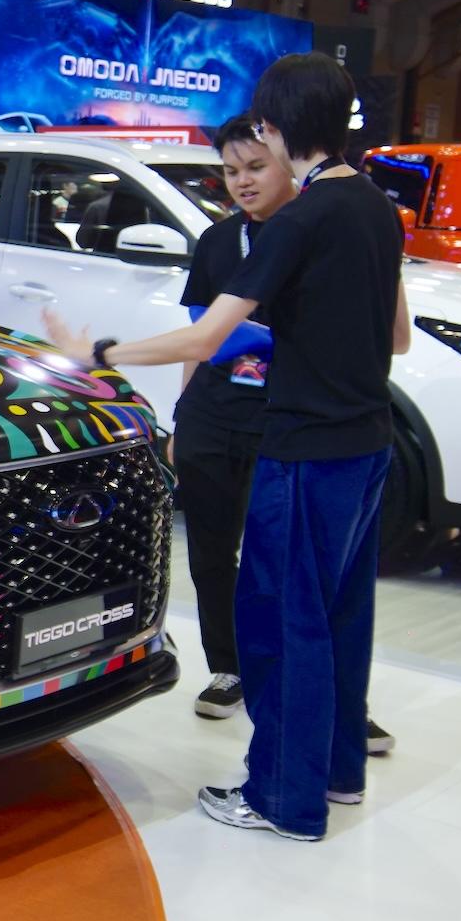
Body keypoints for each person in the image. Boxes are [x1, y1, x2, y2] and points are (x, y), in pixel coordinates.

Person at [45, 52, 410, 842]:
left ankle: (283, 798)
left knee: (283, 623)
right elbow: (398, 337)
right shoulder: (377, 209)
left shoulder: (301, 220)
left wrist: (97, 352)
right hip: (368, 446)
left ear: (276, 128)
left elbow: (206, 338)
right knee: (342, 616)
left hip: (304, 450)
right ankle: (337, 774)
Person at [175, 117, 398, 757]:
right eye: (230, 171)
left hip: (290, 425)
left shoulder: (322, 228)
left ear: (285, 158)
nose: (242, 181)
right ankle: (230, 669)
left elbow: (381, 332)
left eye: (255, 166)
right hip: (215, 418)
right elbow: (199, 336)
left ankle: (333, 709)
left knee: (299, 576)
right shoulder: (217, 242)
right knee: (212, 553)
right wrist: (182, 415)